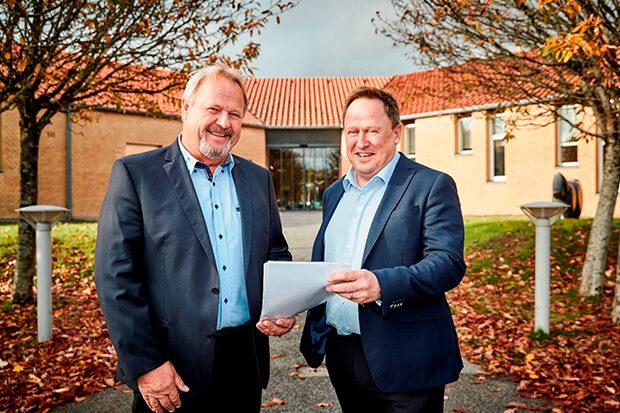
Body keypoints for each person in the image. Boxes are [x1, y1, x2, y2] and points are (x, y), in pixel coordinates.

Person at [95, 64, 295, 413]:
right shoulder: (136, 175)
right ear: (185, 108)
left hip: (244, 363)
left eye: (235, 114)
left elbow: (275, 251)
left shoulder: (258, 179)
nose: (224, 122)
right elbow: (116, 278)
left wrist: (280, 306)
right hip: (170, 365)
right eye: (213, 109)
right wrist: (146, 363)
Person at [300, 86, 466, 413]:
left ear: (396, 133)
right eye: (353, 132)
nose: (361, 142)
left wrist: (381, 285)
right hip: (343, 355)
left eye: (372, 131)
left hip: (408, 357)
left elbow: (448, 263)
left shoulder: (431, 185)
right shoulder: (333, 194)